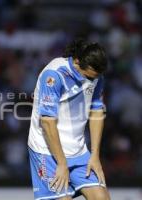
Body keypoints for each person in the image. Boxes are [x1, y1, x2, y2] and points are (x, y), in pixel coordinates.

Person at [28, 39, 111, 200]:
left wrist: (94, 156)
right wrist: (61, 163)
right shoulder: (54, 75)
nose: (91, 81)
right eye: (88, 76)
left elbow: (96, 112)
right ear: (77, 61)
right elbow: (47, 122)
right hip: (48, 152)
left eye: (95, 78)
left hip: (79, 151)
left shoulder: (96, 75)